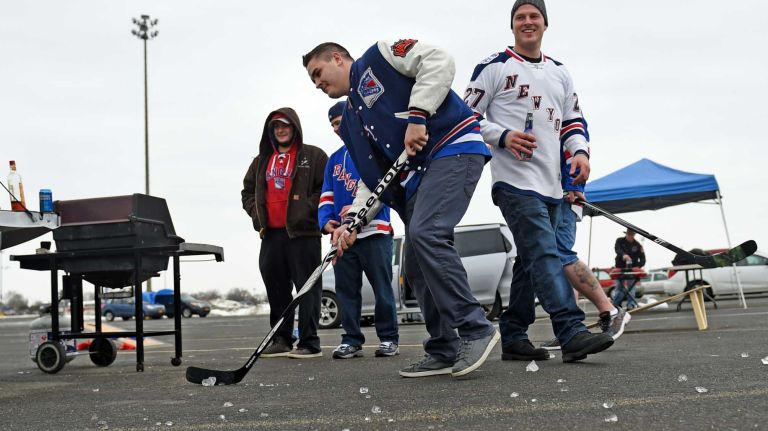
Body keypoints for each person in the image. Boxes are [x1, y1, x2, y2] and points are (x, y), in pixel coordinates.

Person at [303, 39, 499, 378]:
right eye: (313, 81)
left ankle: (476, 328)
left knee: (426, 234)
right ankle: (444, 347)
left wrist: (418, 116)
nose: (318, 84)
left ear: (337, 58)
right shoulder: (351, 119)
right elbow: (371, 178)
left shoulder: (380, 55)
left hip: (452, 148)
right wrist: (352, 221)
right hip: (419, 177)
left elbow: (440, 60)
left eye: (318, 73)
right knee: (416, 263)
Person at [465, 0, 613, 363]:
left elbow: (574, 121)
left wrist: (580, 153)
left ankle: (514, 334)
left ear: (545, 24)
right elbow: (465, 116)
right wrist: (502, 136)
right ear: (512, 25)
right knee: (545, 251)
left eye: (534, 16)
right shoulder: (493, 66)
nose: (527, 22)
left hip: (553, 183)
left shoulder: (560, 73)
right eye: (520, 17)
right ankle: (570, 329)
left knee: (529, 260)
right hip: (513, 181)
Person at [241, 107, 328, 358]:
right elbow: (247, 193)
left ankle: (310, 342)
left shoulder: (313, 156)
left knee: (307, 287)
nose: (281, 130)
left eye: (285, 125)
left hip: (303, 234)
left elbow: (324, 189)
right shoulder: (261, 161)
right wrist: (257, 215)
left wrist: (305, 209)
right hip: (271, 235)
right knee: (276, 287)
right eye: (276, 127)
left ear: (295, 128)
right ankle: (281, 338)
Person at [319, 101, 400, 359]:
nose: (336, 128)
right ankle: (351, 339)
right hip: (342, 237)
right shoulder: (334, 159)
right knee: (346, 290)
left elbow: (382, 190)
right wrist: (326, 222)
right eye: (332, 124)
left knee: (382, 289)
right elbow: (326, 196)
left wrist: (357, 220)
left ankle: (388, 338)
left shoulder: (373, 148)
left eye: (339, 121)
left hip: (375, 231)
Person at [613, 229, 646, 309]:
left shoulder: (638, 245)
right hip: (620, 267)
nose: (630, 236)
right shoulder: (620, 240)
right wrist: (623, 255)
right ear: (626, 234)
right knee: (619, 287)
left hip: (632, 270)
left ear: (634, 235)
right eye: (629, 234)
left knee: (631, 287)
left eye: (632, 234)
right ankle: (616, 304)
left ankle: (630, 304)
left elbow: (643, 259)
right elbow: (617, 249)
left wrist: (638, 266)